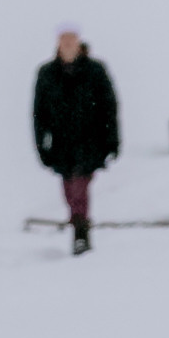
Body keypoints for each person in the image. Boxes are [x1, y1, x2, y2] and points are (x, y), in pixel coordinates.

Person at [32, 24, 119, 256]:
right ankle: (79, 225)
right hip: (61, 144)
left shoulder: (95, 70)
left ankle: (81, 233)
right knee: (69, 189)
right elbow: (39, 114)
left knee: (80, 186)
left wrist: (112, 140)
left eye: (72, 39)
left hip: (90, 141)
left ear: (79, 42)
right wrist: (42, 145)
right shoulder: (47, 73)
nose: (68, 44)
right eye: (64, 40)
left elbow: (109, 107)